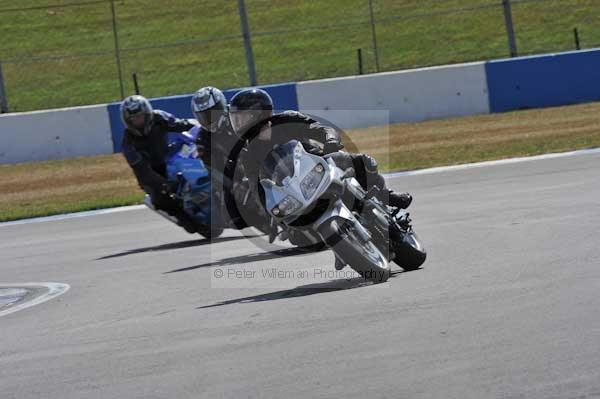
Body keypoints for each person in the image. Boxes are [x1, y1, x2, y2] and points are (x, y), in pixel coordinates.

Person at [120, 95, 198, 233]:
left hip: (168, 157)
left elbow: (181, 124)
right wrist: (164, 183)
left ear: (147, 114)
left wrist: (200, 127)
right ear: (128, 121)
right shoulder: (128, 144)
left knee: (189, 146)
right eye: (133, 119)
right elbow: (142, 171)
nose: (138, 121)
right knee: (160, 196)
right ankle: (185, 219)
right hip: (151, 172)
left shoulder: (159, 117)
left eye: (140, 116)